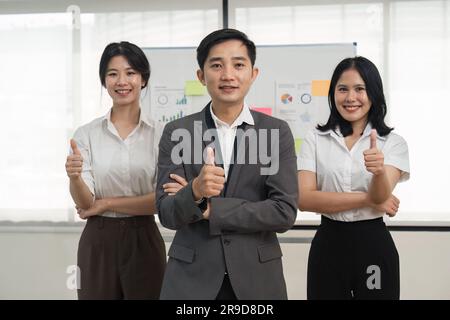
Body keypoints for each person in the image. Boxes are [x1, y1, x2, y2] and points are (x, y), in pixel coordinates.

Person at [156, 28, 298, 300]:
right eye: (217, 65)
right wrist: (196, 190)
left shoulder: (276, 132)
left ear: (253, 73)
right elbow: (167, 212)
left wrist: (209, 209)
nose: (228, 75)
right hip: (191, 281)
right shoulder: (177, 132)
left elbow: (283, 212)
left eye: (238, 64)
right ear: (201, 75)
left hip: (257, 280)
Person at [297, 56, 410, 300]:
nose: (350, 98)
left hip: (373, 245)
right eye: (343, 89)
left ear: (374, 93)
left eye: (360, 89)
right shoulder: (315, 138)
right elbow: (304, 199)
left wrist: (379, 172)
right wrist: (367, 199)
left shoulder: (392, 143)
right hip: (328, 243)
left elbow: (380, 195)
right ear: (333, 93)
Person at [65, 41, 167, 299]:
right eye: (113, 74)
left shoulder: (162, 135)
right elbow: (86, 203)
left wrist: (106, 203)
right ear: (104, 81)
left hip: (144, 238)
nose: (122, 81)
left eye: (130, 72)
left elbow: (163, 200)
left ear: (143, 79)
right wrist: (75, 178)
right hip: (98, 242)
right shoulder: (86, 134)